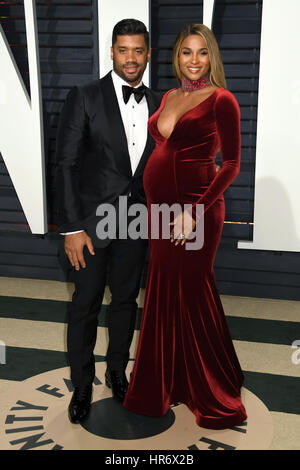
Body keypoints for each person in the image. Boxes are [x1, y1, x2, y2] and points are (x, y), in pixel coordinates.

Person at [123, 23, 248, 430]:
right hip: (161, 210)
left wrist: (194, 209)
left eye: (202, 53)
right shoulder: (169, 96)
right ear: (176, 57)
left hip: (197, 211)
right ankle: (165, 382)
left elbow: (230, 165)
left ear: (212, 56)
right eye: (186, 53)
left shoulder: (222, 100)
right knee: (162, 290)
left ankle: (214, 386)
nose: (194, 61)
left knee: (192, 292)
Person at [55, 19, 162, 424]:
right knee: (84, 305)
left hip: (136, 220)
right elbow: (65, 164)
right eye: (123, 50)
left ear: (148, 54)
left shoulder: (158, 102)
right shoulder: (83, 96)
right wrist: (71, 228)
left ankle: (118, 372)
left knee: (124, 302)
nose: (130, 58)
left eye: (138, 50)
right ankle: (82, 384)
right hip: (90, 224)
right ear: (111, 52)